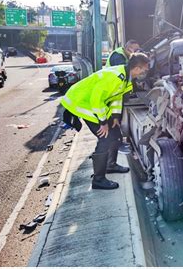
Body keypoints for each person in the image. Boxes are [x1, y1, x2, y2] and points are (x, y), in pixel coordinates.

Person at [61, 53, 150, 190]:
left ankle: (110, 165)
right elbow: (97, 99)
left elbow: (116, 97)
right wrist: (103, 122)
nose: (144, 73)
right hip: (82, 102)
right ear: (137, 68)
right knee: (105, 138)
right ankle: (98, 180)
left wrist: (114, 117)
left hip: (93, 103)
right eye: (144, 70)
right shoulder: (116, 77)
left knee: (115, 135)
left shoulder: (125, 77)